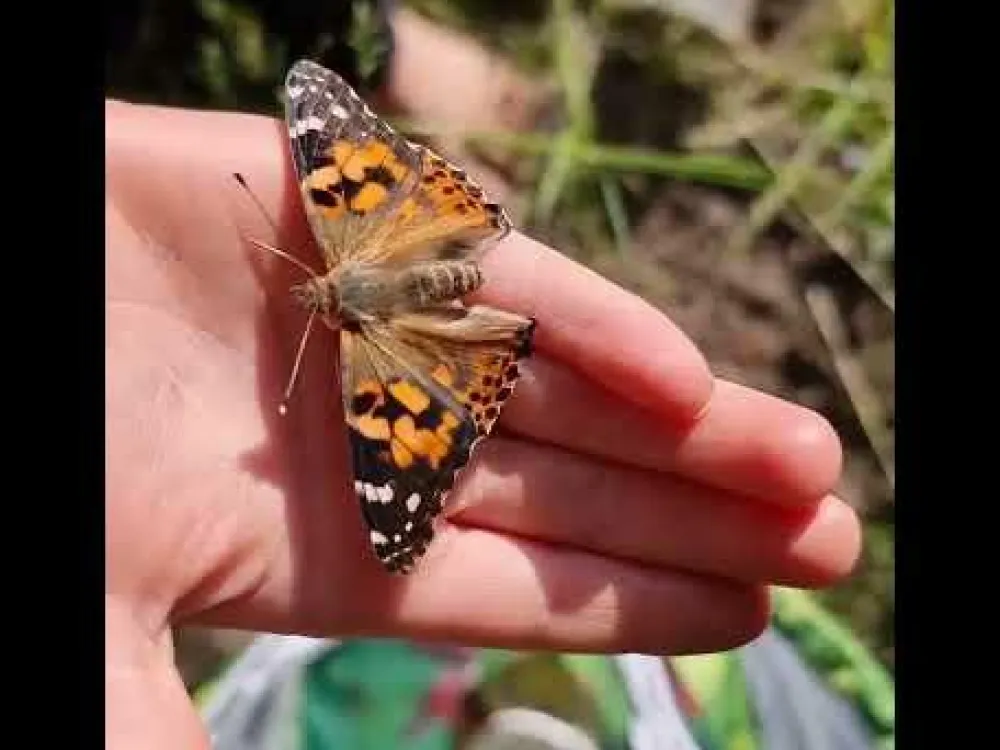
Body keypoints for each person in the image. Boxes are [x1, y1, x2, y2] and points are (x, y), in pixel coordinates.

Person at [105, 99, 861, 749]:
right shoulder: (348, 279)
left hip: (432, 287)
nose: (315, 304)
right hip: (425, 232)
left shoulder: (361, 350)